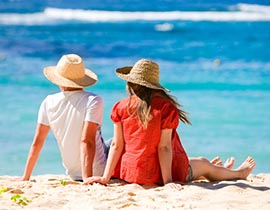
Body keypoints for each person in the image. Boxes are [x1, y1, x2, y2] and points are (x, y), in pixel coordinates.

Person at [84, 58, 256, 189]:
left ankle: (218, 170)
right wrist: (168, 182)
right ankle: (238, 173)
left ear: (130, 83)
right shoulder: (165, 108)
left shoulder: (120, 107)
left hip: (129, 172)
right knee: (203, 163)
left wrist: (106, 178)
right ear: (154, 85)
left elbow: (116, 144)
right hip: (156, 173)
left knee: (200, 165)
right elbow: (164, 148)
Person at [19, 54, 107, 182]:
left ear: (59, 79)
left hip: (72, 172)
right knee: (117, 141)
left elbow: (37, 142)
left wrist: (25, 177)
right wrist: (87, 178)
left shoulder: (48, 101)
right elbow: (87, 141)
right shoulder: (93, 100)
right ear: (82, 78)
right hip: (97, 171)